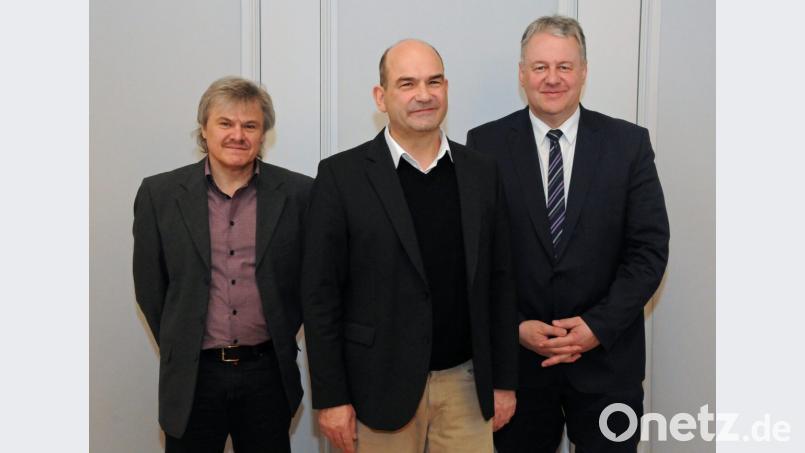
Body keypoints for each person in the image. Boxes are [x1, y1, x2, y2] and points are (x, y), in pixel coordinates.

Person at [301, 39, 519, 453]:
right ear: (381, 97)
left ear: (447, 88)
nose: (424, 94)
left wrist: (505, 382)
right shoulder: (340, 177)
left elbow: (501, 282)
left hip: (467, 388)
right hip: (377, 387)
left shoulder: (481, 172)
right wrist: (331, 398)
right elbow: (319, 297)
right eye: (407, 83)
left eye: (434, 81)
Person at [466, 15, 670, 453]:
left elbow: (648, 250)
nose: (552, 78)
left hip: (607, 366)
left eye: (564, 66)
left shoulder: (628, 144)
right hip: (517, 368)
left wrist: (597, 326)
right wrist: (516, 325)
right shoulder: (484, 145)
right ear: (522, 74)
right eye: (540, 67)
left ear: (583, 71)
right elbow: (476, 256)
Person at [132, 76, 312, 452]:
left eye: (250, 125)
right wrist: (181, 340)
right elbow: (151, 288)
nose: (238, 135)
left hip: (267, 374)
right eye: (225, 123)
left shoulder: (299, 194)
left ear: (264, 134)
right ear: (204, 129)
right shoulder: (159, 195)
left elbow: (307, 284)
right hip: (194, 378)